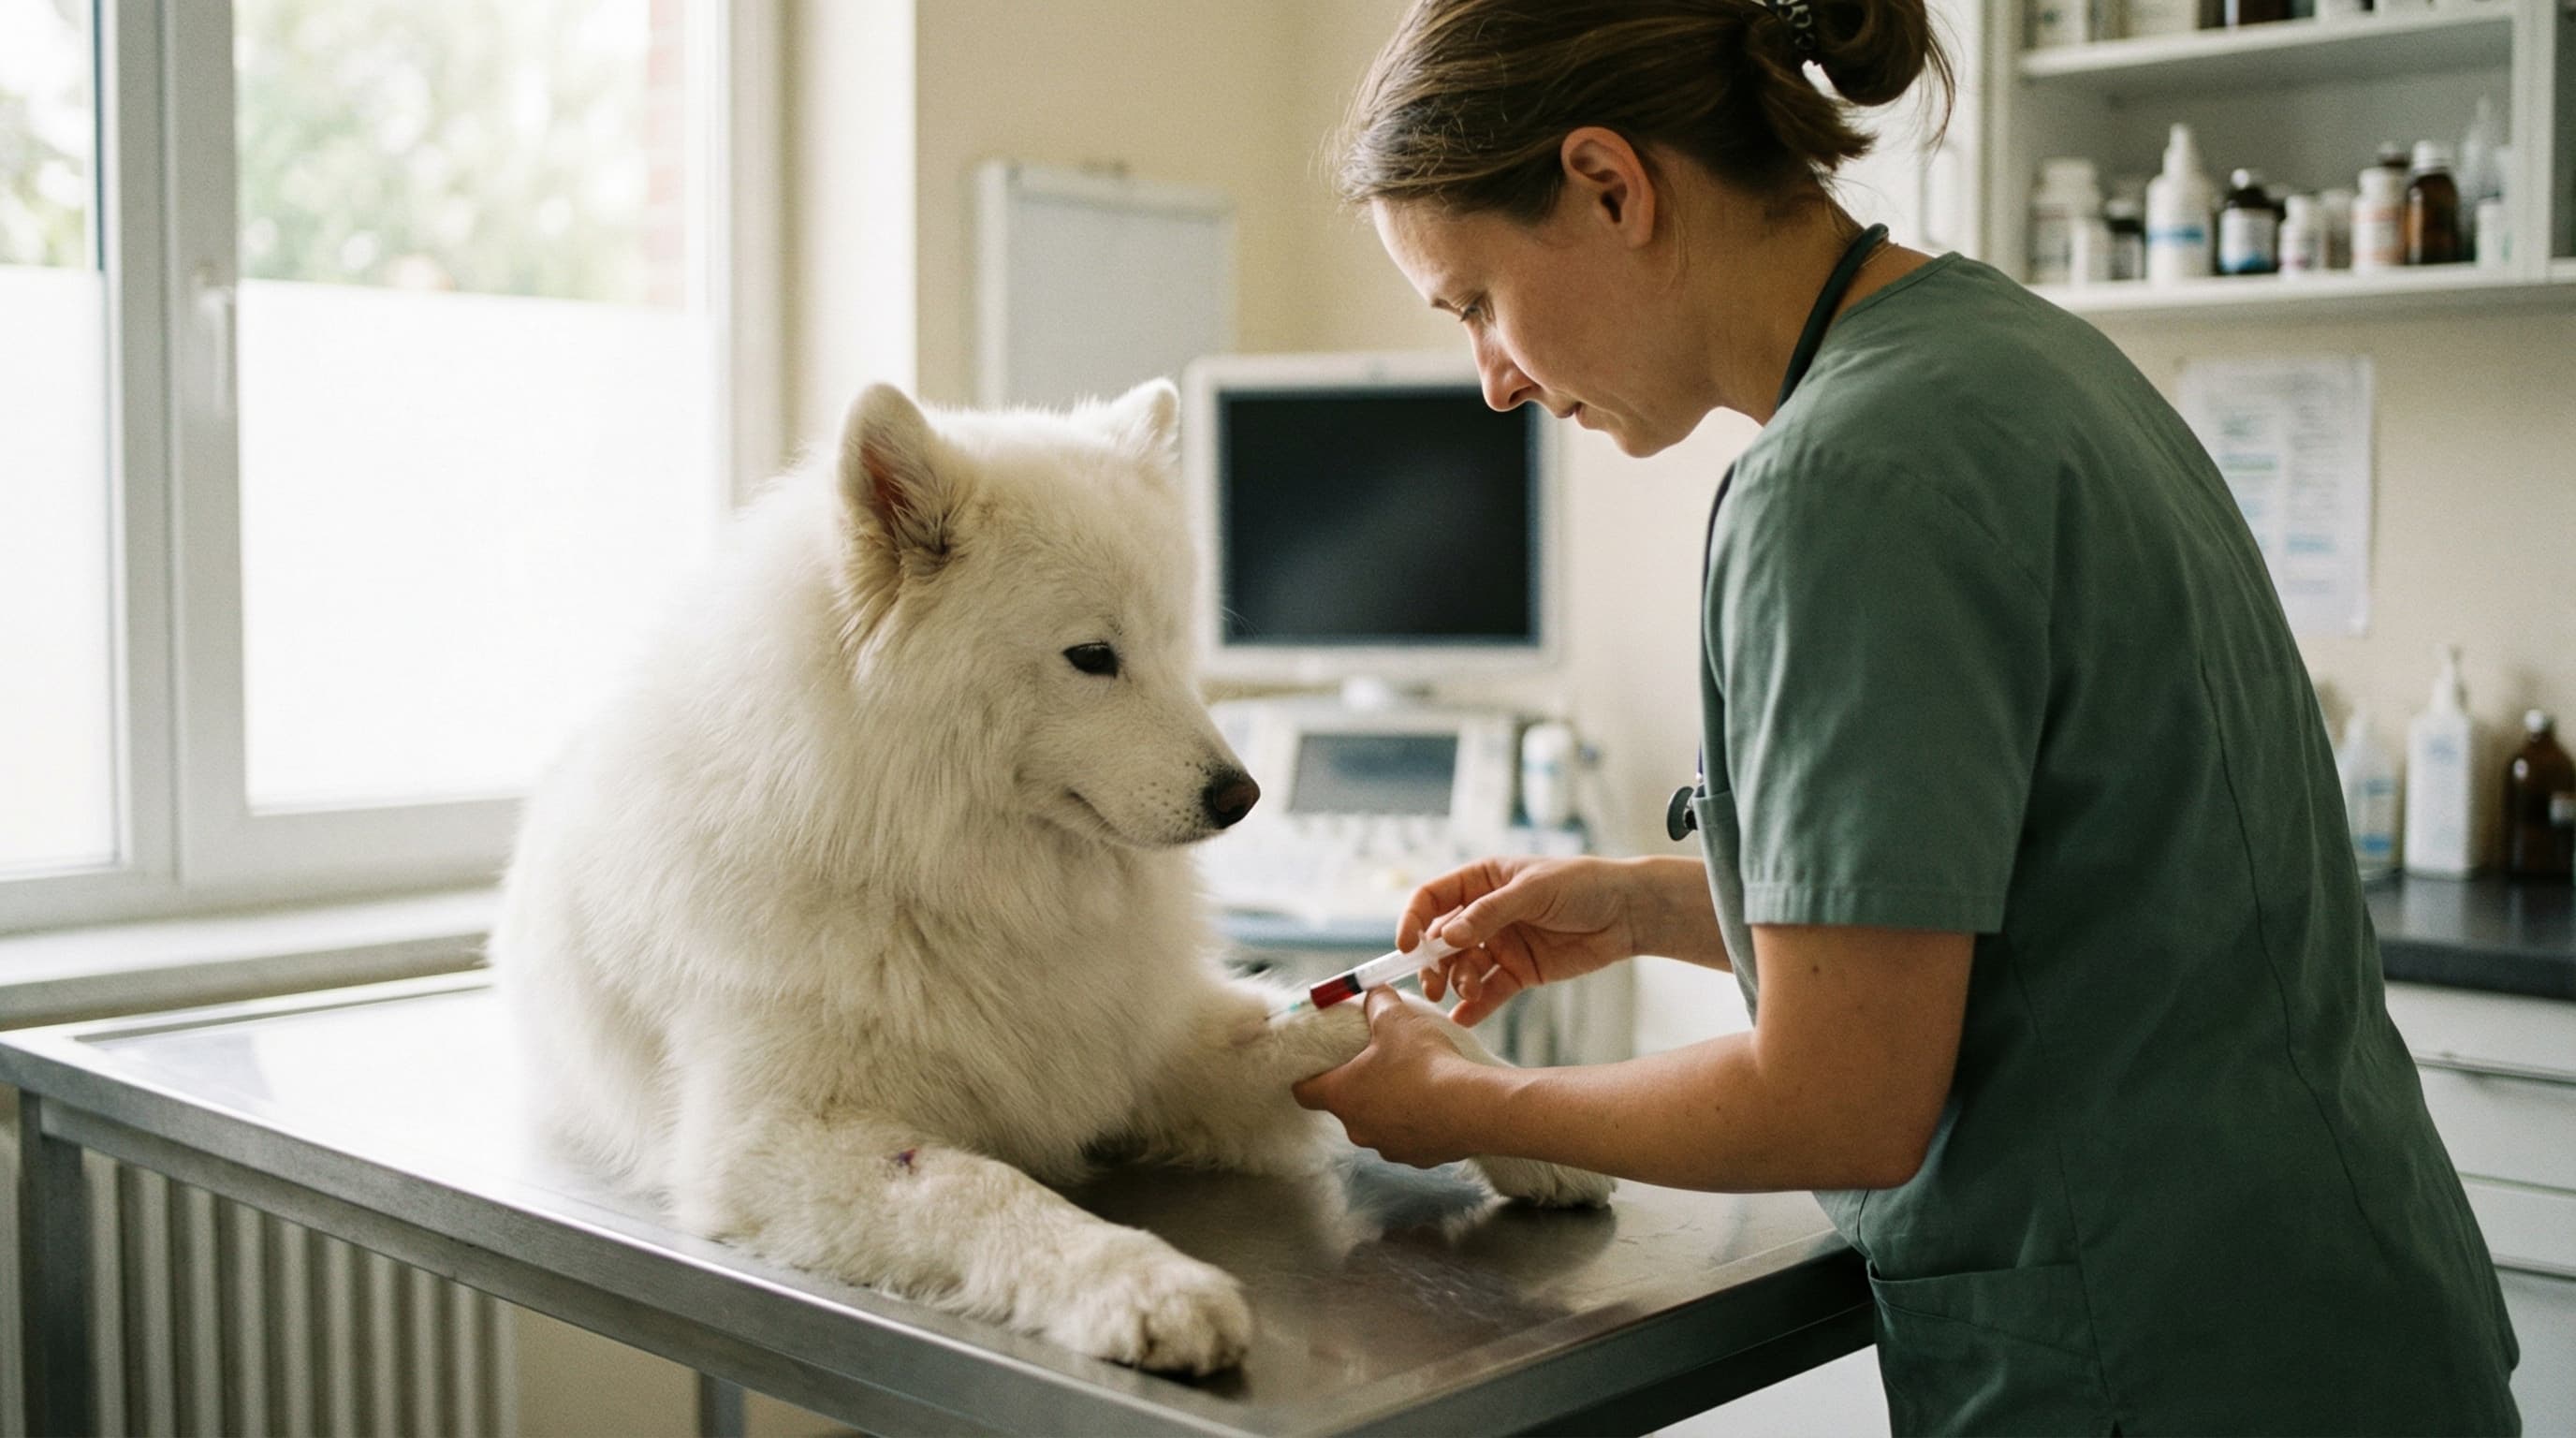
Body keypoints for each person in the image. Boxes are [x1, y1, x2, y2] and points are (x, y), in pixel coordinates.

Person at [1287, 1, 2523, 1432]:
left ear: (1611, 186)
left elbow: (1841, 1099)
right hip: (2350, 1319)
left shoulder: (1841, 483)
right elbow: (2056, 896)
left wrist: (1469, 1108)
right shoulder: (2014, 354)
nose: (1495, 381)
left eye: (1476, 302)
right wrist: (1643, 907)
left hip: (2163, 1368)